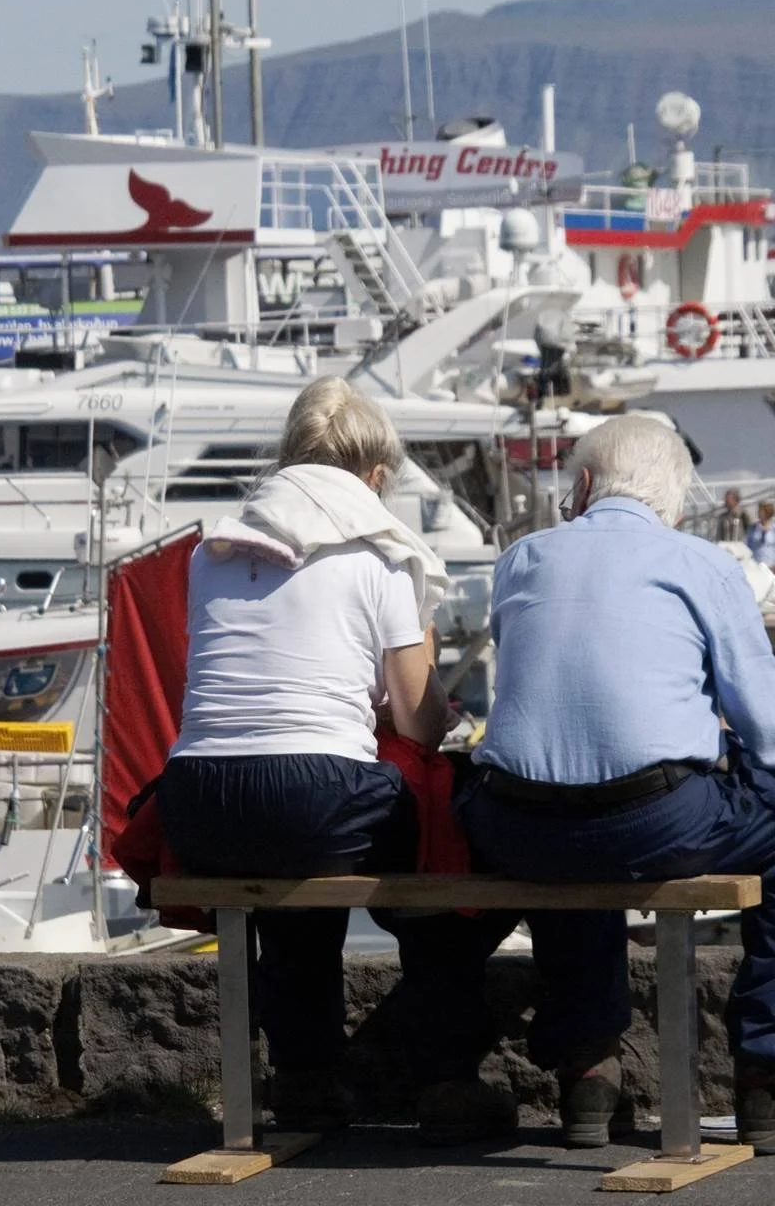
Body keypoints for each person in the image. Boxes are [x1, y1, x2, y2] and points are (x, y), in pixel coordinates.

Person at [462, 414, 775, 1154]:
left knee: (573, 826)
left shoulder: (521, 558)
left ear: (582, 486)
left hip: (516, 822)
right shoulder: (700, 564)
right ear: (673, 502)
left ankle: (588, 1071)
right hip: (655, 815)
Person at [155, 376, 516, 1143]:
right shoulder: (378, 557)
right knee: (437, 850)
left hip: (196, 800)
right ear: (374, 475)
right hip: (312, 796)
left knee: (296, 864)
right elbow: (420, 722)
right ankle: (446, 1076)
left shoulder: (215, 551)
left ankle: (306, 1077)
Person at [745, 499, 775, 568]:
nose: (759, 513)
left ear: (768, 513)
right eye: (759, 511)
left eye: (761, 511)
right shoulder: (753, 528)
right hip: (756, 565)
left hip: (772, 565)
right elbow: (747, 545)